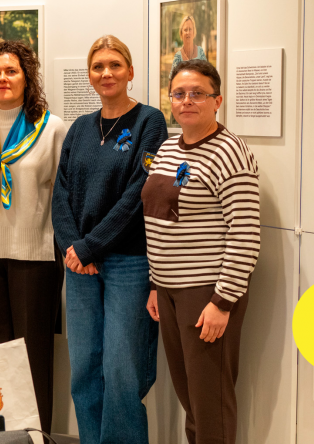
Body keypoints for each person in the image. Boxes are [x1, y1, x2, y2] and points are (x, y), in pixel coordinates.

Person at [51, 35, 167, 443]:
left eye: (115, 65)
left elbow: (139, 192)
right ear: (89, 75)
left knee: (122, 372)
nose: (106, 73)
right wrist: (73, 248)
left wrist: (90, 246)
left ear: (130, 72)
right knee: (84, 370)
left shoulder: (149, 122)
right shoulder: (80, 127)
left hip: (128, 263)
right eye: (98, 66)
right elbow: (60, 193)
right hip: (80, 265)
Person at [144, 59, 259, 444]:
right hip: (170, 291)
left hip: (206, 293)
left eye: (198, 93)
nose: (187, 100)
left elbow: (245, 233)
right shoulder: (167, 148)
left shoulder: (230, 152)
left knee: (211, 404)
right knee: (191, 399)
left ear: (217, 101)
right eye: (179, 94)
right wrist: (156, 284)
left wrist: (222, 302)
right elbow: (159, 219)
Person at [0, 39, 66, 434]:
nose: (2, 78)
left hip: (34, 255)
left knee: (32, 357)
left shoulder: (52, 127)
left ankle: (36, 438)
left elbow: (62, 197)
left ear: (27, 78)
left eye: (11, 71)